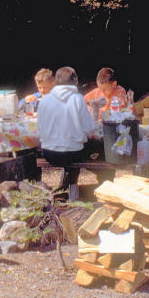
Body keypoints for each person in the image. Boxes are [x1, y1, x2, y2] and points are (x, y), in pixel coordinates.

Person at [37, 66, 95, 201]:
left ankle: (64, 186)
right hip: (72, 154)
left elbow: (39, 130)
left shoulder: (45, 100)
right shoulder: (78, 98)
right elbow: (89, 128)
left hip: (50, 154)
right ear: (75, 82)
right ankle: (73, 187)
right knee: (88, 147)